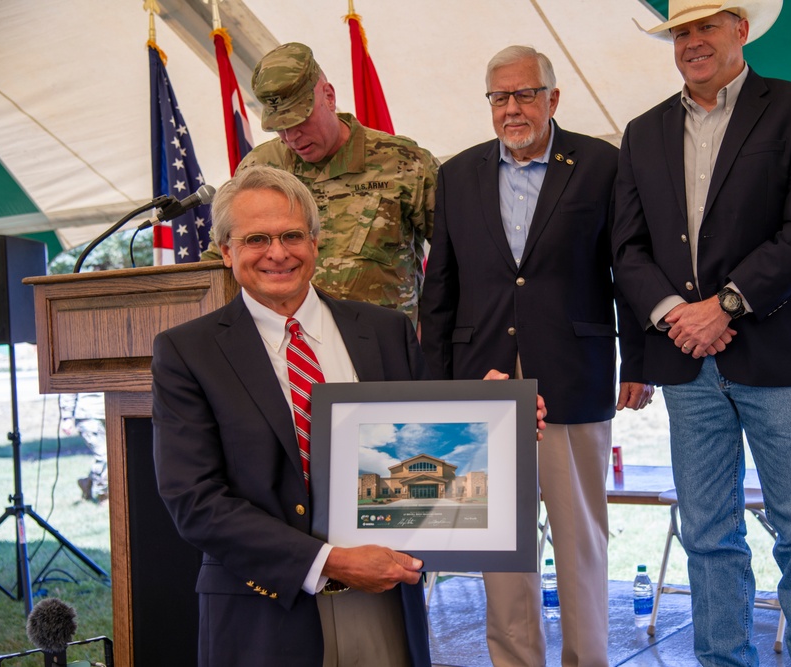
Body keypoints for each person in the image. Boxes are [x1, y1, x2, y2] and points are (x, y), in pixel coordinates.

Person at [153, 166, 549, 667]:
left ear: (316, 243)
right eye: (256, 238)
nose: (278, 252)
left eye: (292, 235)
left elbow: (429, 442)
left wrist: (491, 416)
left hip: (382, 607)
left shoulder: (386, 332)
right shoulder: (187, 353)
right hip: (263, 612)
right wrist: (331, 562)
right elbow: (195, 501)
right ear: (227, 251)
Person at [612, 1, 791, 665]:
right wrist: (672, 314)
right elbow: (626, 249)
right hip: (685, 364)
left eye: (706, 27)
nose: (692, 43)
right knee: (708, 535)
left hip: (775, 354)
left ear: (740, 30)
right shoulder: (642, 132)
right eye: (681, 32)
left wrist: (725, 305)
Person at [420, 45, 651, 667]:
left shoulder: (602, 163)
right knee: (499, 542)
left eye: (526, 94)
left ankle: (586, 659)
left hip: (574, 373)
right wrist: (437, 388)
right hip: (481, 380)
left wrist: (641, 361)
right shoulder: (456, 174)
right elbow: (439, 288)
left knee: (579, 537)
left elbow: (628, 266)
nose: (513, 108)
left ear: (554, 97)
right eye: (500, 96)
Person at [202, 42, 439, 326]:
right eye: (280, 126)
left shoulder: (404, 162)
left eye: (300, 120)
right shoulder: (259, 168)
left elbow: (457, 256)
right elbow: (220, 259)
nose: (291, 136)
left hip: (380, 351)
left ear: (328, 97)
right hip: (285, 350)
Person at [59, 392, 107, 502]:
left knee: (114, 455)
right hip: (88, 415)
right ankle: (104, 496)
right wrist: (67, 417)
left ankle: (87, 483)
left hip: (112, 409)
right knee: (104, 456)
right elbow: (69, 386)